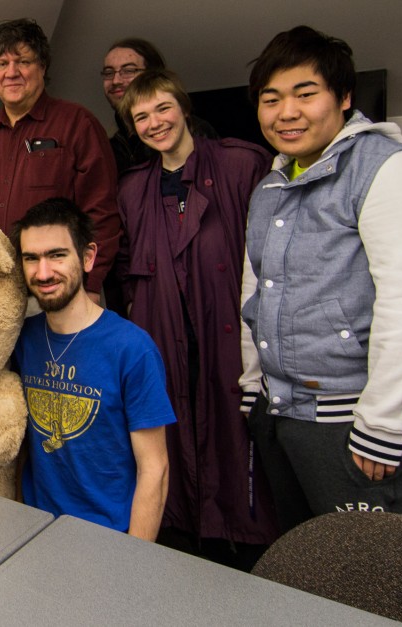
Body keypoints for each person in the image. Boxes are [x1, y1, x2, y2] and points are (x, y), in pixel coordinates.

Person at [240, 25, 402, 533]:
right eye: (270, 99)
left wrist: (381, 424)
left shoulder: (390, 170)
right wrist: (253, 381)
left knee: (372, 569)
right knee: (307, 555)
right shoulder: (273, 184)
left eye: (304, 93)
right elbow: (257, 288)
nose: (286, 112)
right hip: (283, 408)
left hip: (355, 420)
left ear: (343, 98)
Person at [116, 69, 277, 570]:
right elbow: (127, 273)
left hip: (230, 334)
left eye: (162, 108)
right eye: (140, 116)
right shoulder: (132, 189)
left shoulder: (240, 164)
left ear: (183, 107)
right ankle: (187, 539)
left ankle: (249, 547)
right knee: (175, 435)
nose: (154, 122)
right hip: (164, 338)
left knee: (236, 437)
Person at [10, 197, 175, 540]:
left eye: (57, 255)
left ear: (87, 257)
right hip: (37, 531)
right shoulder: (23, 339)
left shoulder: (132, 348)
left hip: (109, 537)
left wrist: (134, 555)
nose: (43, 273)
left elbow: (155, 468)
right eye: (31, 258)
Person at [0, 18, 120, 301]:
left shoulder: (77, 124)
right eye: (1, 64)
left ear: (42, 67)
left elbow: (102, 211)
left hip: (61, 290)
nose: (11, 73)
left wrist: (92, 284)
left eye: (22, 62)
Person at [101, 38, 218, 175]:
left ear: (153, 75)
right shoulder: (108, 147)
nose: (116, 81)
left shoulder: (193, 131)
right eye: (109, 73)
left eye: (128, 70)